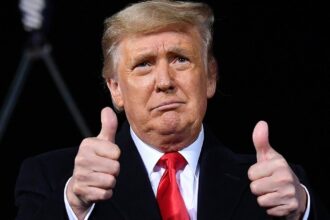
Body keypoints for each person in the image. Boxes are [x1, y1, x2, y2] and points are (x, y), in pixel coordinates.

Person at [15, 0, 329, 219]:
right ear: (115, 88)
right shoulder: (53, 179)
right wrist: (74, 205)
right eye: (144, 64)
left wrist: (302, 210)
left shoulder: (274, 186)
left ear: (210, 77)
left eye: (180, 58)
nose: (164, 81)